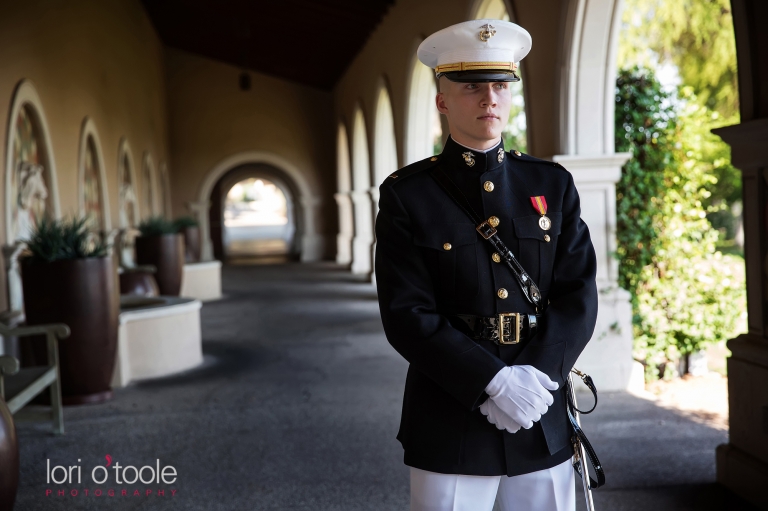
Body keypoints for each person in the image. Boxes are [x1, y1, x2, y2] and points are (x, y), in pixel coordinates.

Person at [374, 19, 598, 511]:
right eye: (471, 87)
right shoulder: (407, 196)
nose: (489, 99)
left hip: (539, 408)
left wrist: (537, 378)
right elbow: (405, 312)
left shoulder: (552, 185)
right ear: (442, 101)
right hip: (449, 410)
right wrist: (493, 382)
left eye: (500, 86)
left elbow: (578, 293)